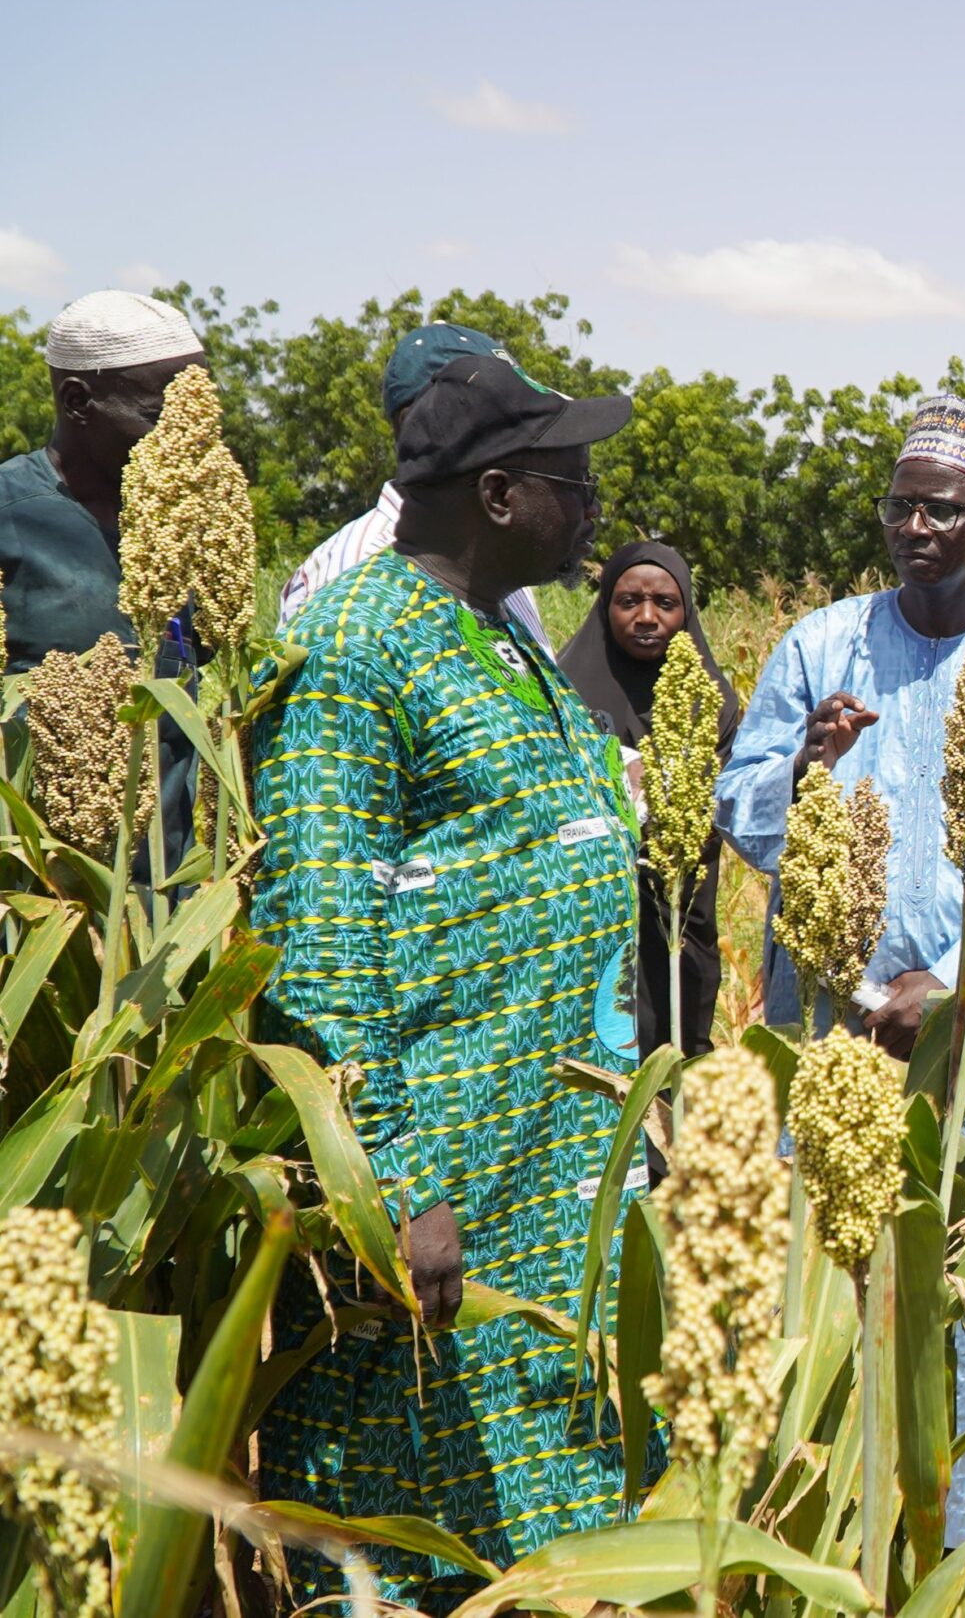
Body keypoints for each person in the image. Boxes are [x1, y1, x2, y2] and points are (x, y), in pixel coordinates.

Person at [248, 353, 640, 1607]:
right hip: (445, 1183)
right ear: (501, 495)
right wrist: (397, 1188)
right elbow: (319, 942)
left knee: (548, 1506)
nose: (595, 510)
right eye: (575, 484)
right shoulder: (356, 653)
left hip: (543, 1161)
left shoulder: (495, 637)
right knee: (403, 1512)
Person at [715, 394, 965, 1545]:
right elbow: (741, 810)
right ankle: (801, 1536)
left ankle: (944, 1547)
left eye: (944, 510)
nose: (916, 527)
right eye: (901, 506)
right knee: (816, 1278)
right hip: (825, 1014)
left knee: (960, 1296)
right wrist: (806, 766)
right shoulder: (819, 644)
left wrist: (955, 978)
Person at [0, 290, 206, 855]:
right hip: (48, 901)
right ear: (78, 402)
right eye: (163, 415)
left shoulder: (192, 522)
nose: (192, 438)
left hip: (176, 902)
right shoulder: (9, 515)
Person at [558, 541, 743, 1056]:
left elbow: (722, 799)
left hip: (680, 908)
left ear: (686, 611)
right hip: (589, 910)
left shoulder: (713, 699)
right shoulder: (563, 689)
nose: (646, 617)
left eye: (665, 603)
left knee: (675, 1048)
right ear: (604, 607)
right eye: (628, 601)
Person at [278, 322, 554, 644]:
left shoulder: (498, 564)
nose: (520, 436)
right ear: (427, 423)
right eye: (500, 416)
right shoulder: (357, 573)